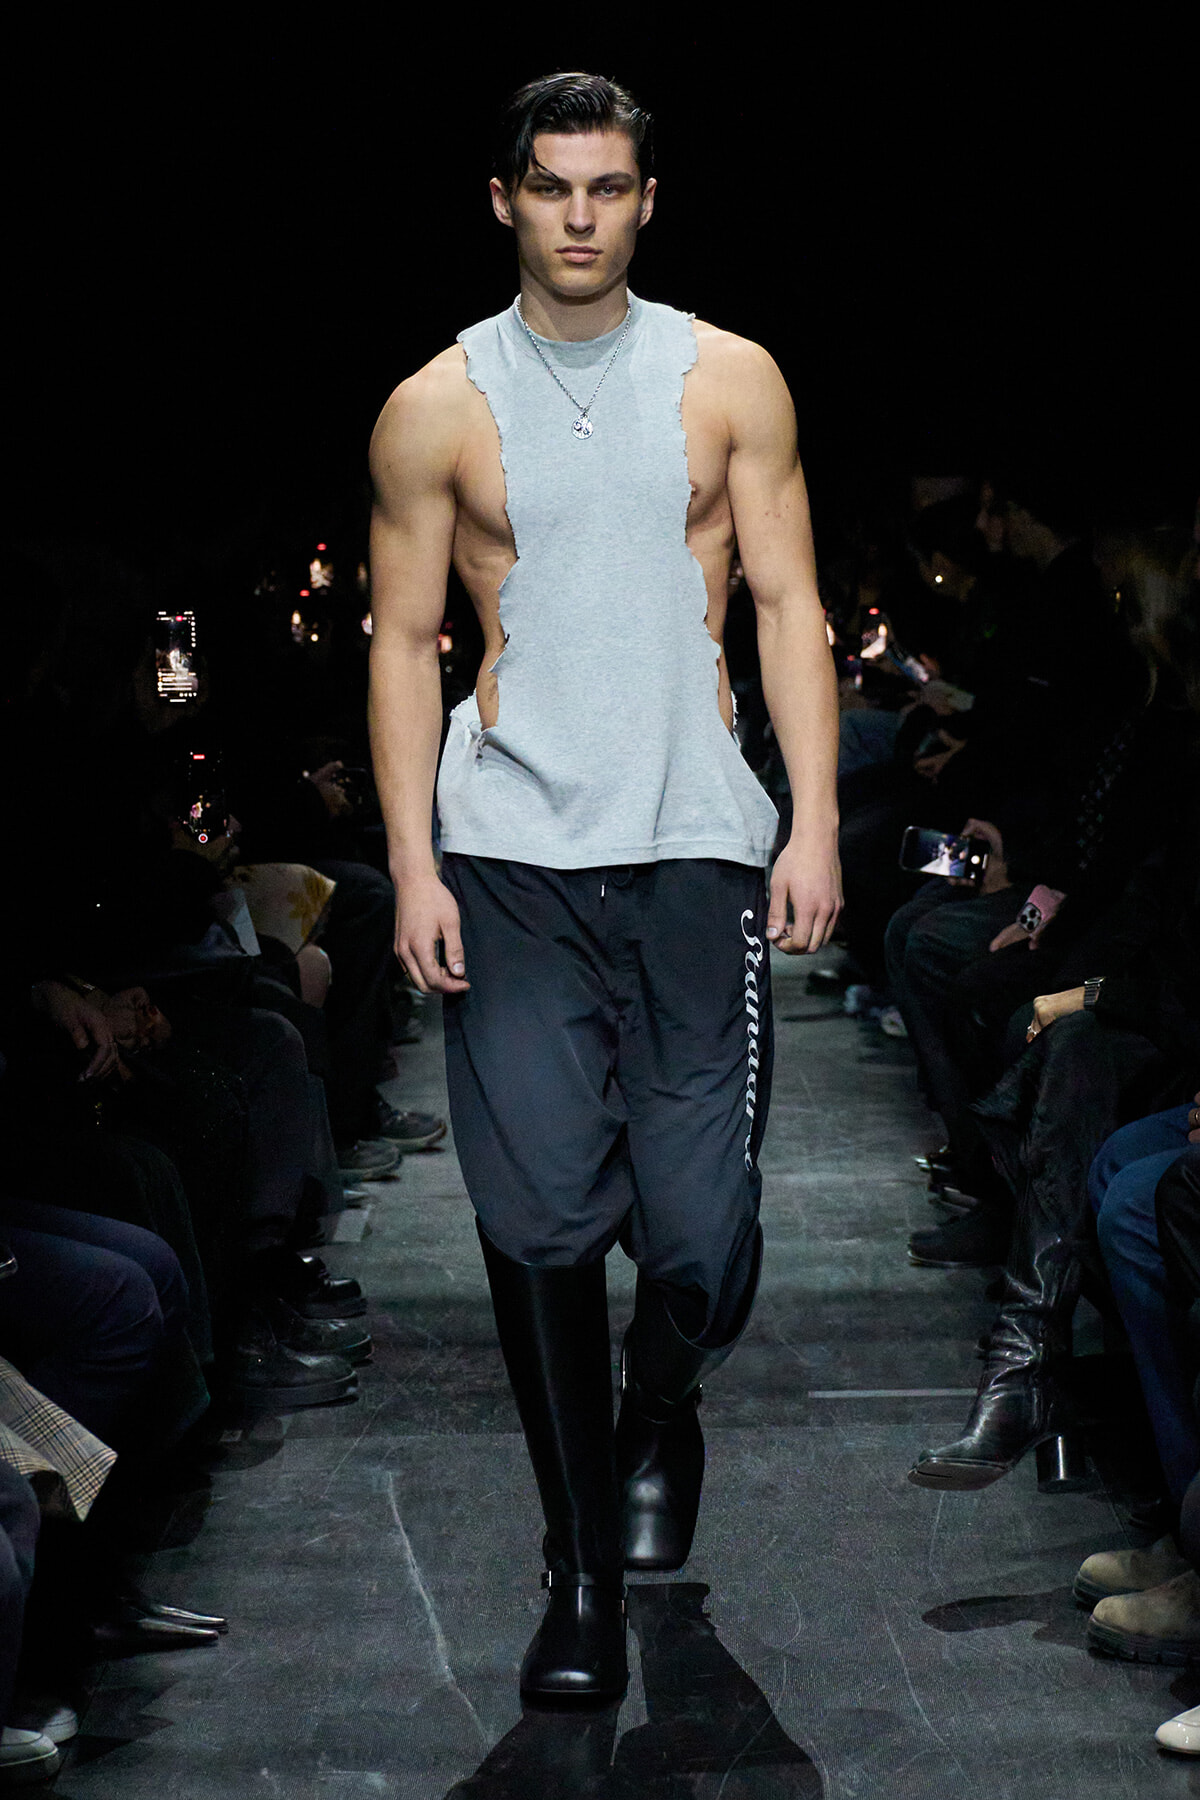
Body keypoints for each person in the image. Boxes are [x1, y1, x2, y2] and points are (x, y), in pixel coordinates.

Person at [367, 72, 840, 1703]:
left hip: (696, 839)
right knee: (540, 1219)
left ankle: (662, 1409)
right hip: (508, 857)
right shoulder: (434, 407)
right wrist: (414, 861)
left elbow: (785, 604)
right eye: (553, 186)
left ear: (648, 200)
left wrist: (817, 821)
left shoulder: (729, 381)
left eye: (610, 186)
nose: (581, 214)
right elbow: (402, 644)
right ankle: (577, 1571)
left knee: (703, 1242)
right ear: (503, 199)